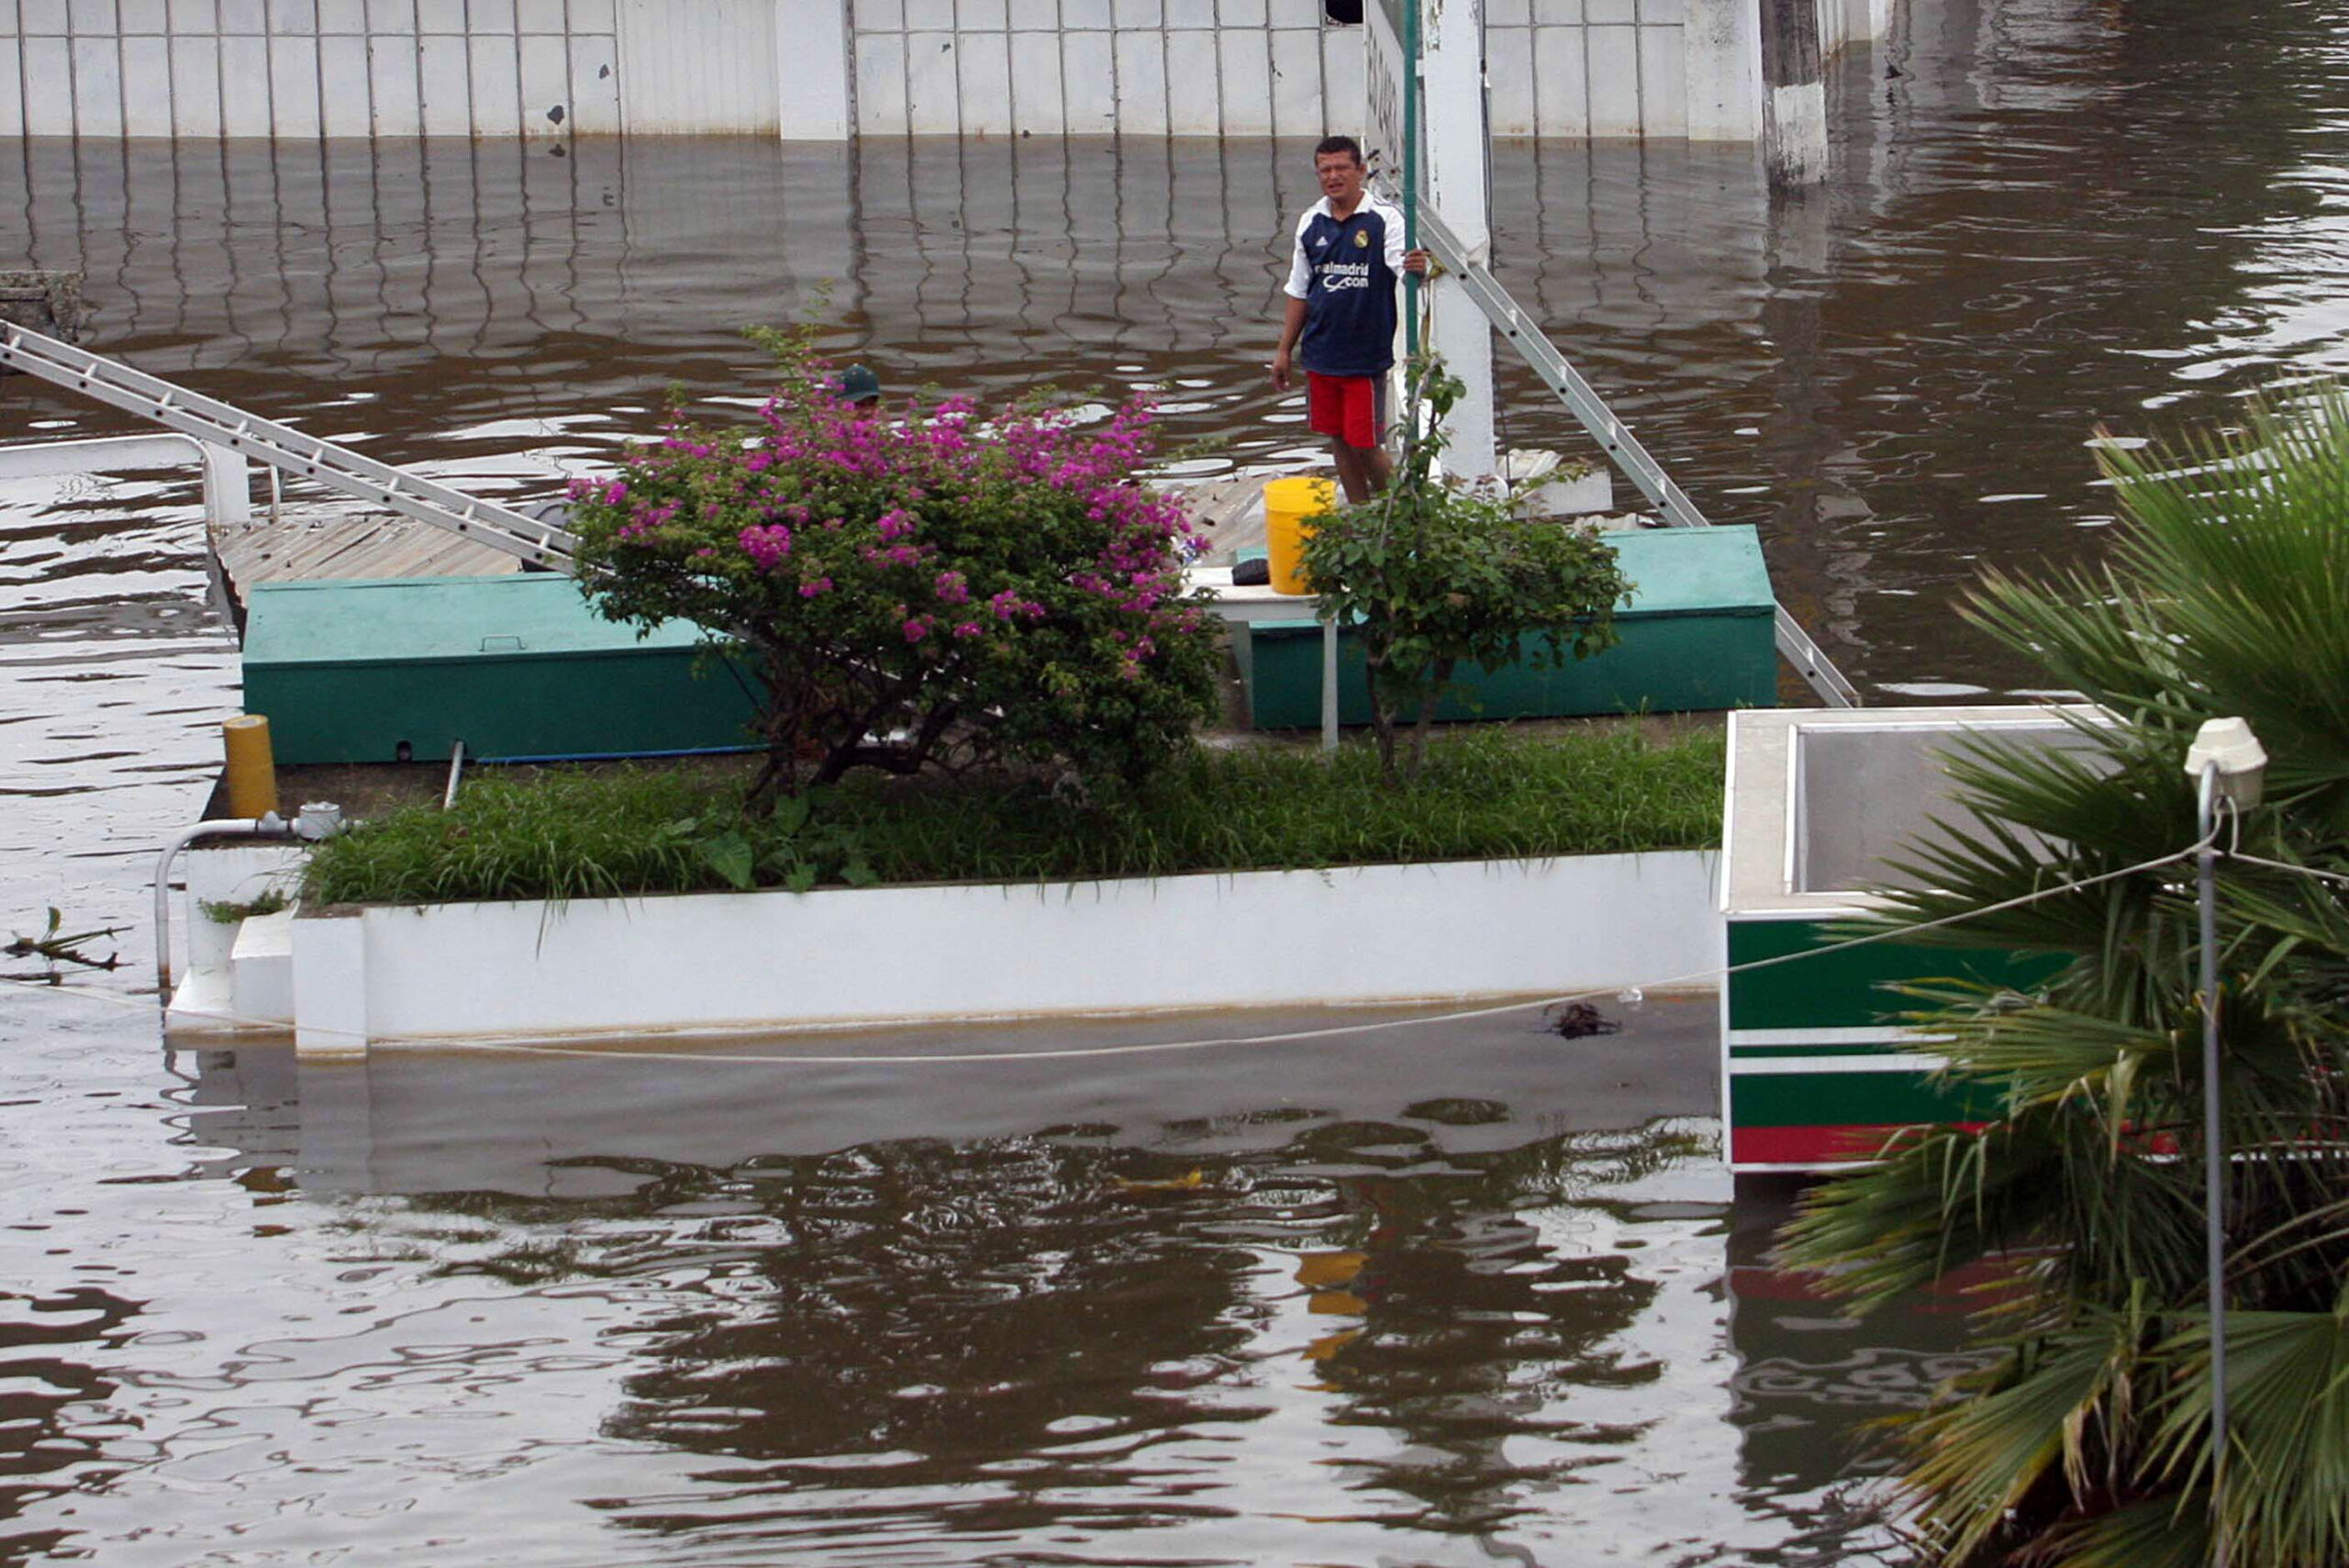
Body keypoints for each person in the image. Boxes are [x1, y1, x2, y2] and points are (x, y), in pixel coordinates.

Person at [1269, 136, 1431, 505]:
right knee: (1338, 439)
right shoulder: (1312, 222)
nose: (1333, 176)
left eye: (1342, 168)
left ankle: (1403, 514)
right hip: (1320, 353)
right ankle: (1360, 516)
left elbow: (1407, 268)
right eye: (1325, 169)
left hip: (1364, 356)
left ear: (1361, 171)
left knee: (1366, 443)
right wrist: (1283, 352)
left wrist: (1420, 268)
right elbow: (1298, 290)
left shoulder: (1385, 219)